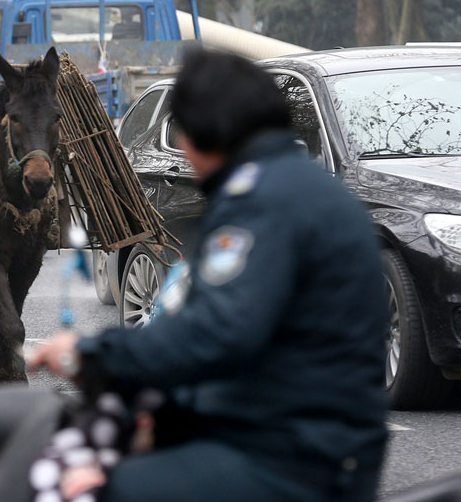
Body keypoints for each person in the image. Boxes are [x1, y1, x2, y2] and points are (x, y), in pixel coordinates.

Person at [27, 49, 388, 502]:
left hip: (293, 458)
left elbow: (217, 333)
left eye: (182, 134)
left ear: (204, 134)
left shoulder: (263, 201)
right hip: (296, 433)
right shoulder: (298, 185)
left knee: (76, 489)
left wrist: (91, 354)